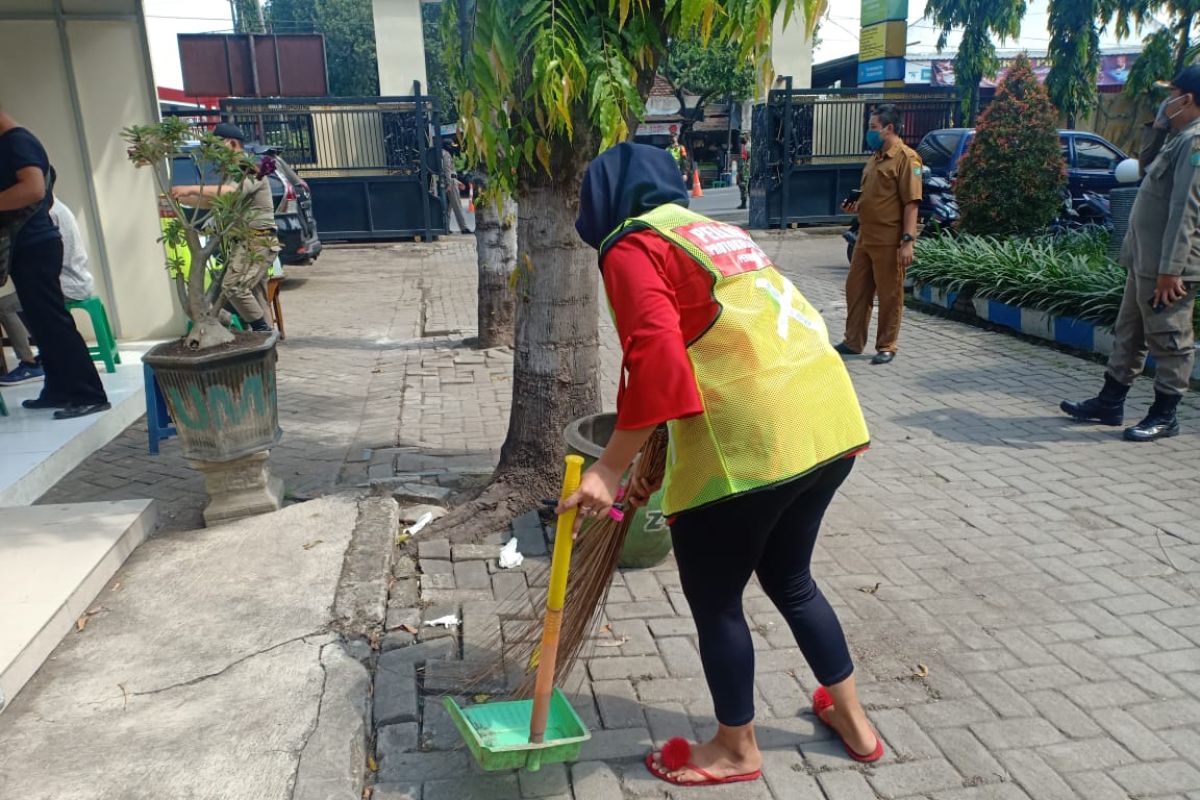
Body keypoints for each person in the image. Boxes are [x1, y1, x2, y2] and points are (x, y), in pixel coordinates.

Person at [564, 143, 881, 787]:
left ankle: (737, 749)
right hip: (827, 421)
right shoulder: (714, 232)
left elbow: (658, 360)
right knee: (791, 579)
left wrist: (609, 468)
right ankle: (855, 722)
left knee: (717, 600)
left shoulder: (631, 243)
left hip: (751, 444)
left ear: (602, 200)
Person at [1061, 66, 1200, 442]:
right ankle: (1110, 402)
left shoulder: (1196, 142)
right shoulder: (1177, 136)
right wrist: (1157, 125)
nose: (1165, 101)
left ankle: (1165, 414)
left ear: (1186, 99)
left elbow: (1186, 209)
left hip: (1168, 266)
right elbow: (1143, 169)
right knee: (1129, 332)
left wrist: (1171, 270)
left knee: (1169, 337)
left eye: (1170, 94)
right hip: (1145, 258)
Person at [0, 109, 109, 418]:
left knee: (54, 324)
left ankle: (88, 393)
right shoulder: (11, 143)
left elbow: (33, 188)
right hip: (28, 248)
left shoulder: (17, 141)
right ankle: (59, 389)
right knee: (42, 326)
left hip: (37, 246)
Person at [835, 104, 923, 366]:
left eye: (874, 128)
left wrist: (908, 241)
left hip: (889, 239)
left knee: (889, 295)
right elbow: (874, 197)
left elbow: (912, 202)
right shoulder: (875, 158)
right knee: (856, 290)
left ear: (889, 128)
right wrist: (854, 206)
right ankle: (853, 341)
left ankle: (886, 345)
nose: (869, 132)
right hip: (865, 237)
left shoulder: (907, 159)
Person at [170, 122, 276, 332]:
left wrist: (190, 187)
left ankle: (262, 330)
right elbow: (214, 202)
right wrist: (180, 199)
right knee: (253, 294)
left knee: (234, 288)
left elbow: (229, 193)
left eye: (218, 147)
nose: (214, 154)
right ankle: (264, 344)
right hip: (242, 241)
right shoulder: (233, 172)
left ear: (233, 144)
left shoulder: (250, 168)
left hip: (257, 239)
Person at [0, 198, 94, 385]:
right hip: (76, 280)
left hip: (66, 284)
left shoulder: (47, 214)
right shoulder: (60, 208)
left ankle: (29, 363)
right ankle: (45, 355)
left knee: (5, 306)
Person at [440, 142, 473, 235]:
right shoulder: (446, 154)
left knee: (447, 208)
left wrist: (457, 182)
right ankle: (464, 227)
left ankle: (445, 228)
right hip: (450, 184)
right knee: (457, 206)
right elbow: (447, 171)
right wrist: (450, 184)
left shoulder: (441, 153)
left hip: (449, 182)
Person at [736, 133, 750, 210]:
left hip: (745, 170)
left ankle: (744, 203)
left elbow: (744, 160)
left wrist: (740, 171)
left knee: (743, 186)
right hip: (745, 169)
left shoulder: (747, 147)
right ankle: (744, 203)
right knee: (744, 186)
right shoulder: (745, 146)